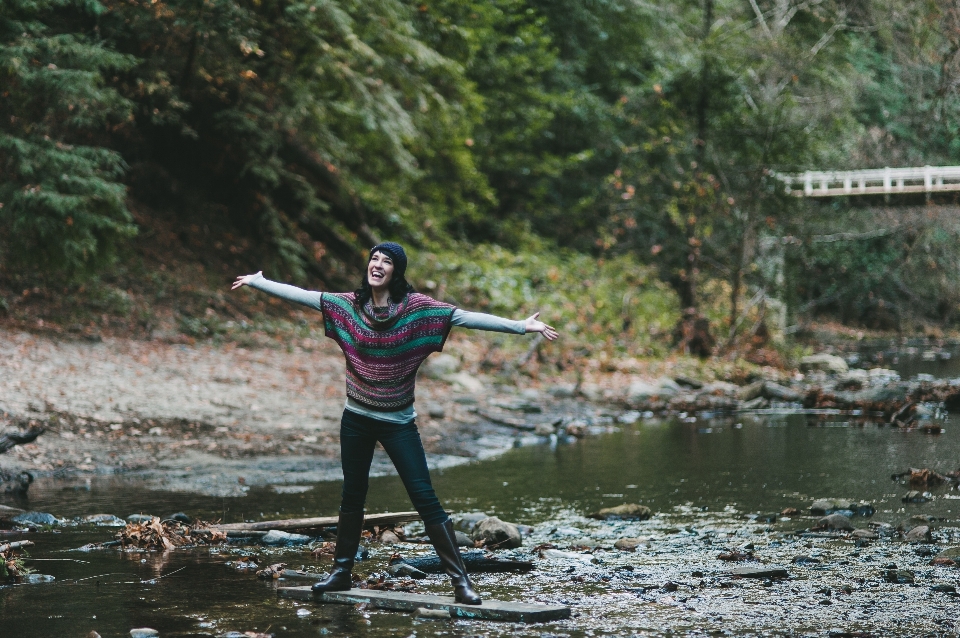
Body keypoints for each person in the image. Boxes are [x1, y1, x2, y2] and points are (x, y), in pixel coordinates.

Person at [232, 242, 558, 605]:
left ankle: (460, 582)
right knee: (352, 494)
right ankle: (341, 572)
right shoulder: (349, 305)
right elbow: (305, 296)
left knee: (425, 498)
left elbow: (461, 317)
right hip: (356, 418)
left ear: (396, 272)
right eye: (374, 258)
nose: (378, 264)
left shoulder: (416, 309)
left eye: (387, 261)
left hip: (398, 423)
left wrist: (520, 327)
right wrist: (260, 282)